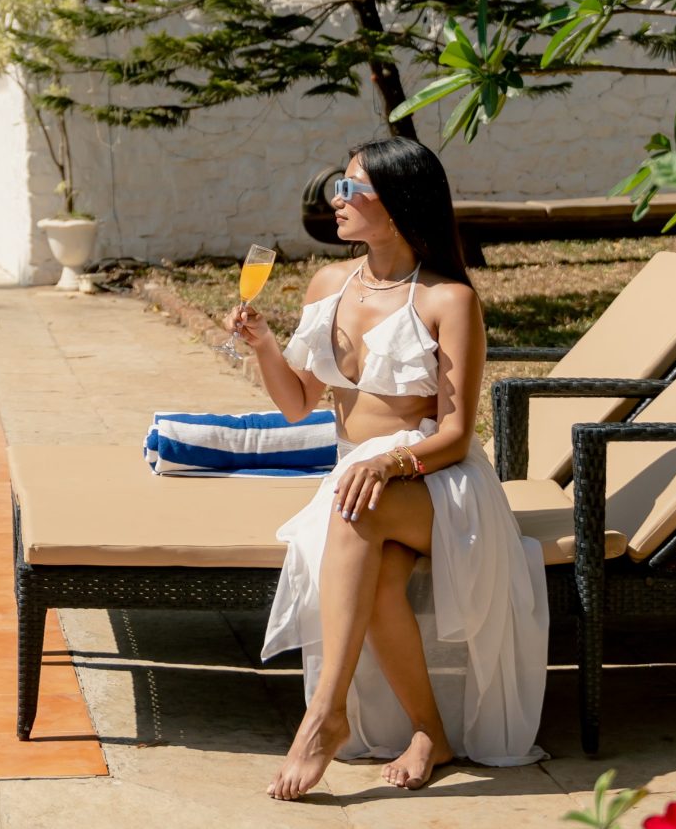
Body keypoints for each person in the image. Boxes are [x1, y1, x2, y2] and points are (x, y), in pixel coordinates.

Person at [224, 137, 548, 797]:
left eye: (351, 189)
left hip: (436, 480)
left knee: (355, 506)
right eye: (336, 187)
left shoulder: (447, 299)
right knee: (368, 571)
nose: (334, 201)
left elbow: (457, 434)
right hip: (362, 482)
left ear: (399, 204)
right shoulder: (327, 285)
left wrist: (396, 460)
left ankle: (324, 714)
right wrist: (262, 346)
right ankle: (431, 730)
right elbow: (296, 404)